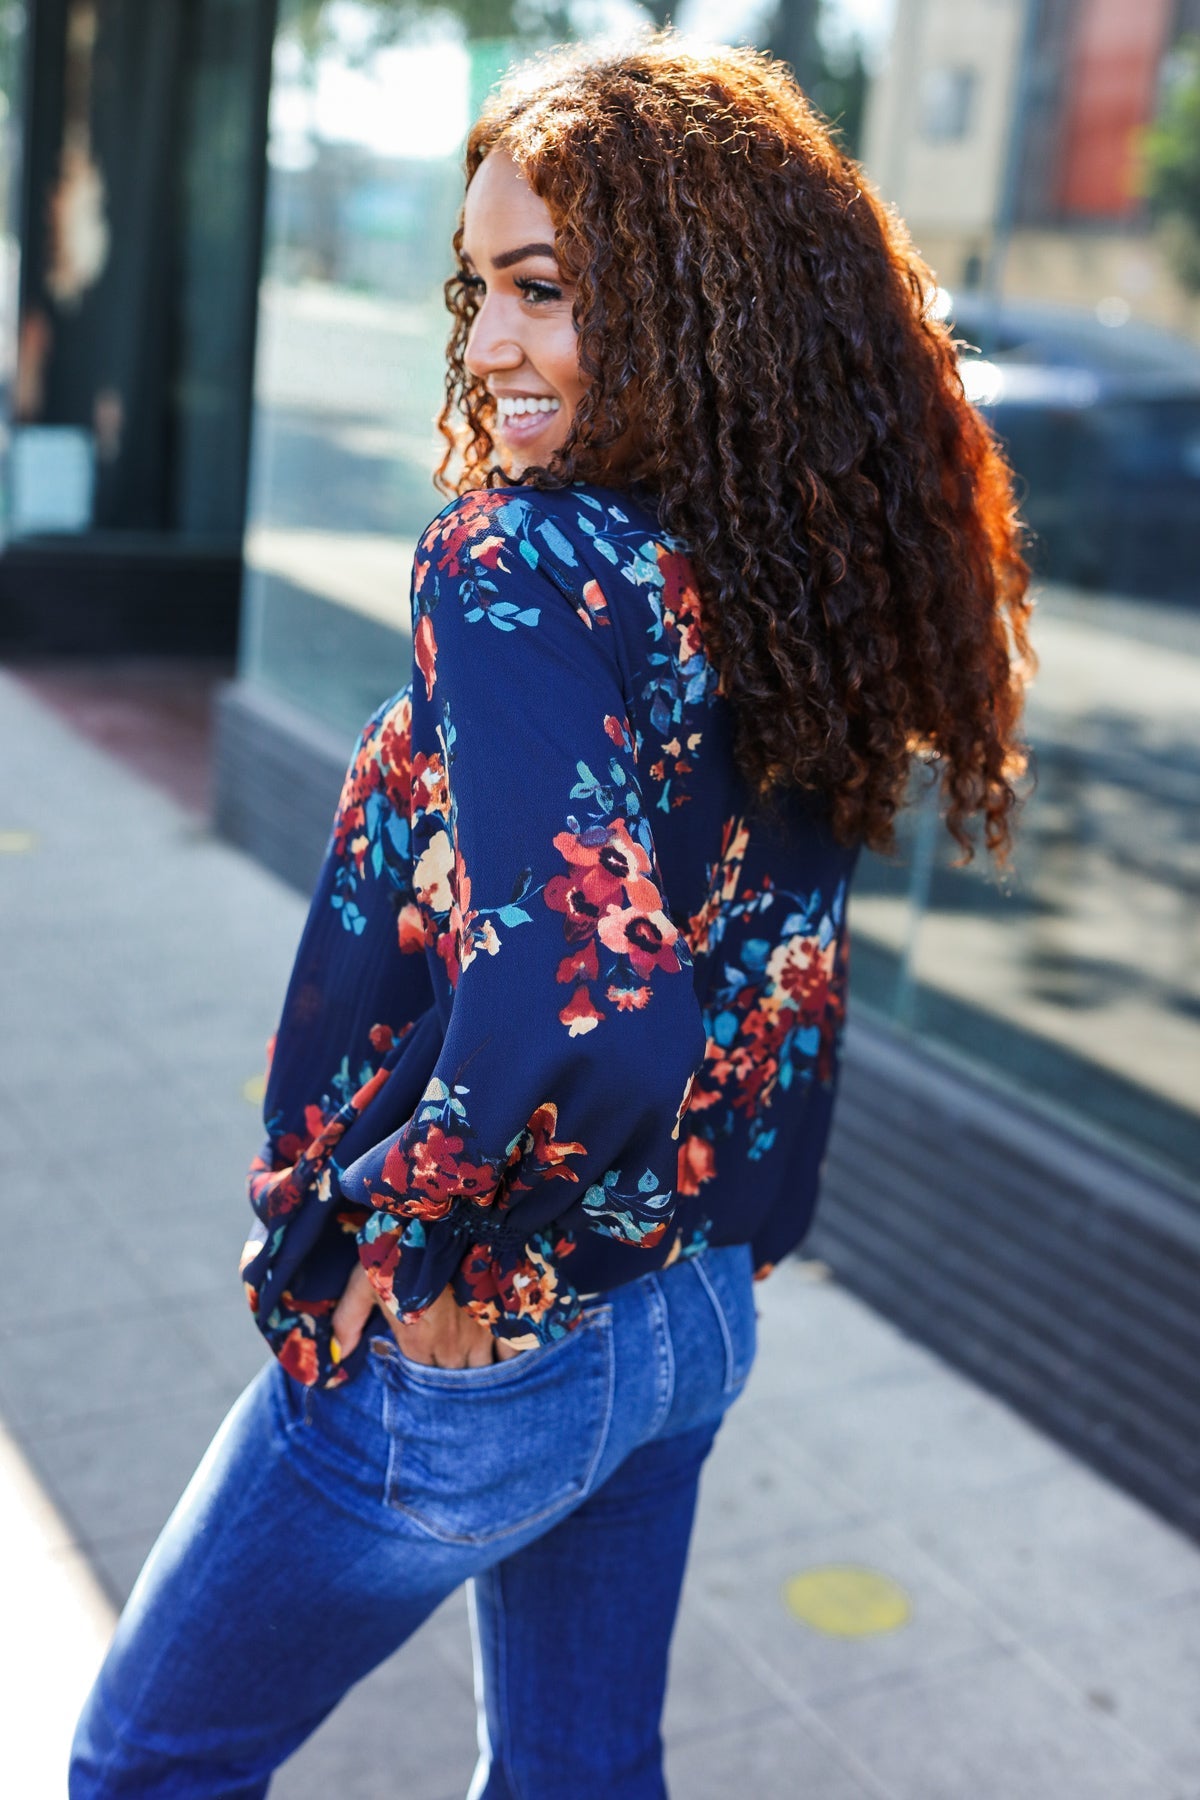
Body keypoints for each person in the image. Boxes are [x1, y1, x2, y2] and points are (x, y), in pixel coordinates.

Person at [70, 31, 1031, 1799]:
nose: (491, 342)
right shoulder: (788, 574)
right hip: (689, 1317)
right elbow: (772, 976)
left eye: (544, 289)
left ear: (691, 303)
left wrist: (414, 1247)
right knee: (582, 1781)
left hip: (485, 1333)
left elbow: (596, 1004)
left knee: (143, 1765)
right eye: (476, 289)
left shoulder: (518, 562)